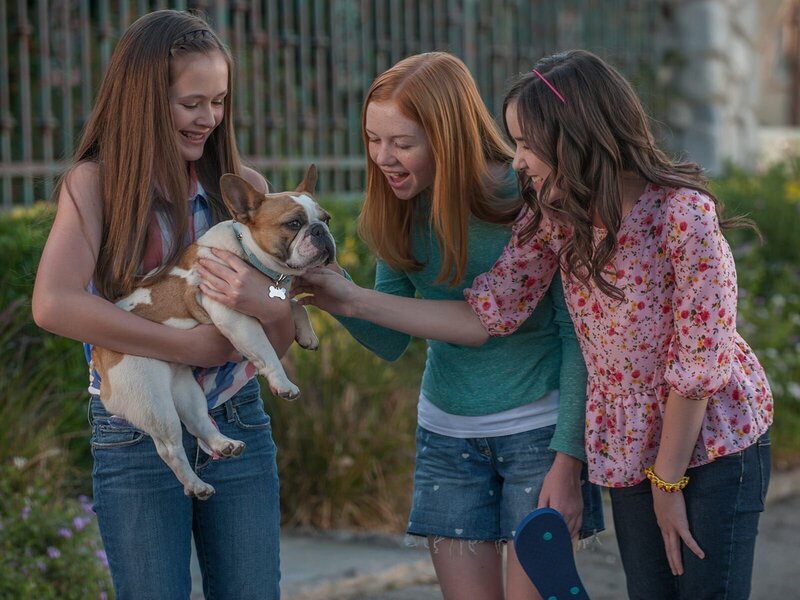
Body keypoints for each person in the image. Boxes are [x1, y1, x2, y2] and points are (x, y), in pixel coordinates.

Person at [296, 49, 774, 600]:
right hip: (630, 442)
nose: (517, 160)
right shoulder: (555, 215)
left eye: (526, 144)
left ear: (575, 140)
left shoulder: (682, 216)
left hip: (711, 442)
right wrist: (340, 295)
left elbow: (697, 365)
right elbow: (488, 313)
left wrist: (665, 483)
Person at [292, 51, 603, 600]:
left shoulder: (530, 194)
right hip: (447, 437)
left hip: (537, 432)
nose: (383, 158)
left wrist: (568, 459)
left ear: (448, 136)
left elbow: (576, 336)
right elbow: (389, 337)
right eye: (373, 139)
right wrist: (324, 289)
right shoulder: (398, 205)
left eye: (402, 143)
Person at [32, 10, 291, 600]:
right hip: (136, 427)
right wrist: (185, 346)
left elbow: (286, 297)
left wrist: (271, 299)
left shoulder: (243, 189)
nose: (209, 118)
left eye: (219, 102)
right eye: (191, 103)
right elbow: (53, 304)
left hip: (236, 416)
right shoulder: (95, 185)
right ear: (143, 101)